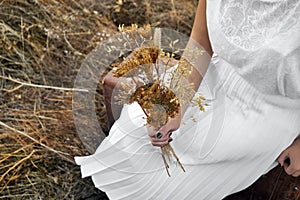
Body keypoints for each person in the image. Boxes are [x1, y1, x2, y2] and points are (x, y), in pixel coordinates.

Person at [75, 0, 300, 199]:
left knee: (196, 157)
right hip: (215, 74)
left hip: (269, 108)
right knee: (134, 135)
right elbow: (201, 43)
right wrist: (177, 101)